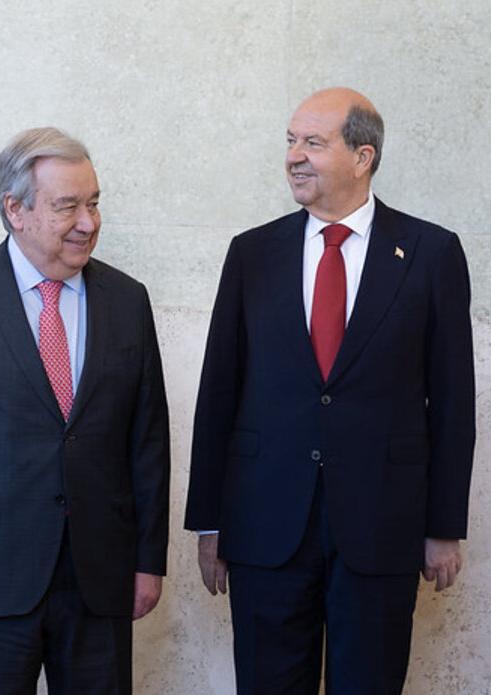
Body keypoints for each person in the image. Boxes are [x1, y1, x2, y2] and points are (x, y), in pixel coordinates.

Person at [184, 87, 475, 694]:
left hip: (380, 527)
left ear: (362, 156)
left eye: (312, 143)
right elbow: (219, 394)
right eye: (290, 140)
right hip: (267, 526)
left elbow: (453, 401)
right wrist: (209, 521)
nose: (294, 155)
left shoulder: (430, 253)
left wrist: (444, 525)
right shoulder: (252, 253)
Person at [0, 127, 170, 694]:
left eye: (93, 203)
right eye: (68, 206)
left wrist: (148, 561)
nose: (88, 221)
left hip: (99, 580)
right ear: (14, 209)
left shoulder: (127, 299)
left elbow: (149, 442)